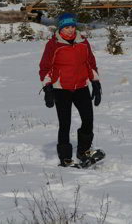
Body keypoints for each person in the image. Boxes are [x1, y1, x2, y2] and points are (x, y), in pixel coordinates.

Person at [39, 12, 101, 166]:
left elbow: (90, 63)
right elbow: (45, 68)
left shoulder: (83, 42)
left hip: (81, 86)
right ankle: (65, 157)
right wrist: (47, 88)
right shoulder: (53, 44)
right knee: (65, 124)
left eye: (73, 26)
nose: (71, 30)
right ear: (60, 28)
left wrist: (95, 83)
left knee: (88, 120)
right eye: (67, 27)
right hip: (61, 88)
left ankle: (84, 151)